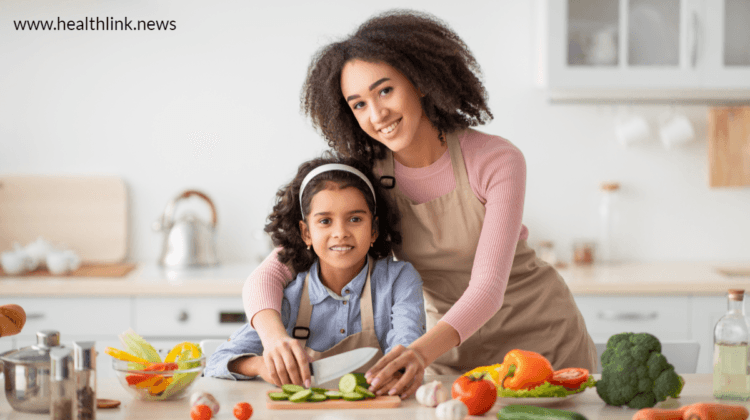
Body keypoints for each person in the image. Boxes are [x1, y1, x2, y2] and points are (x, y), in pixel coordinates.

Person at [243, 9, 597, 399]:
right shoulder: (369, 175)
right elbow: (272, 271)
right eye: (358, 104)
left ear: (421, 82)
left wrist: (416, 352)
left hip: (542, 343)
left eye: (385, 91)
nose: (377, 115)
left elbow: (488, 288)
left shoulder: (496, 160)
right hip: (449, 349)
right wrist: (274, 339)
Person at [205, 154, 425, 388]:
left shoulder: (399, 280)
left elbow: (407, 344)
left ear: (374, 229)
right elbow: (216, 362)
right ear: (306, 233)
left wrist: (401, 367)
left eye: (354, 218)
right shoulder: (289, 296)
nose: (340, 232)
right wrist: (261, 365)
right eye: (325, 221)